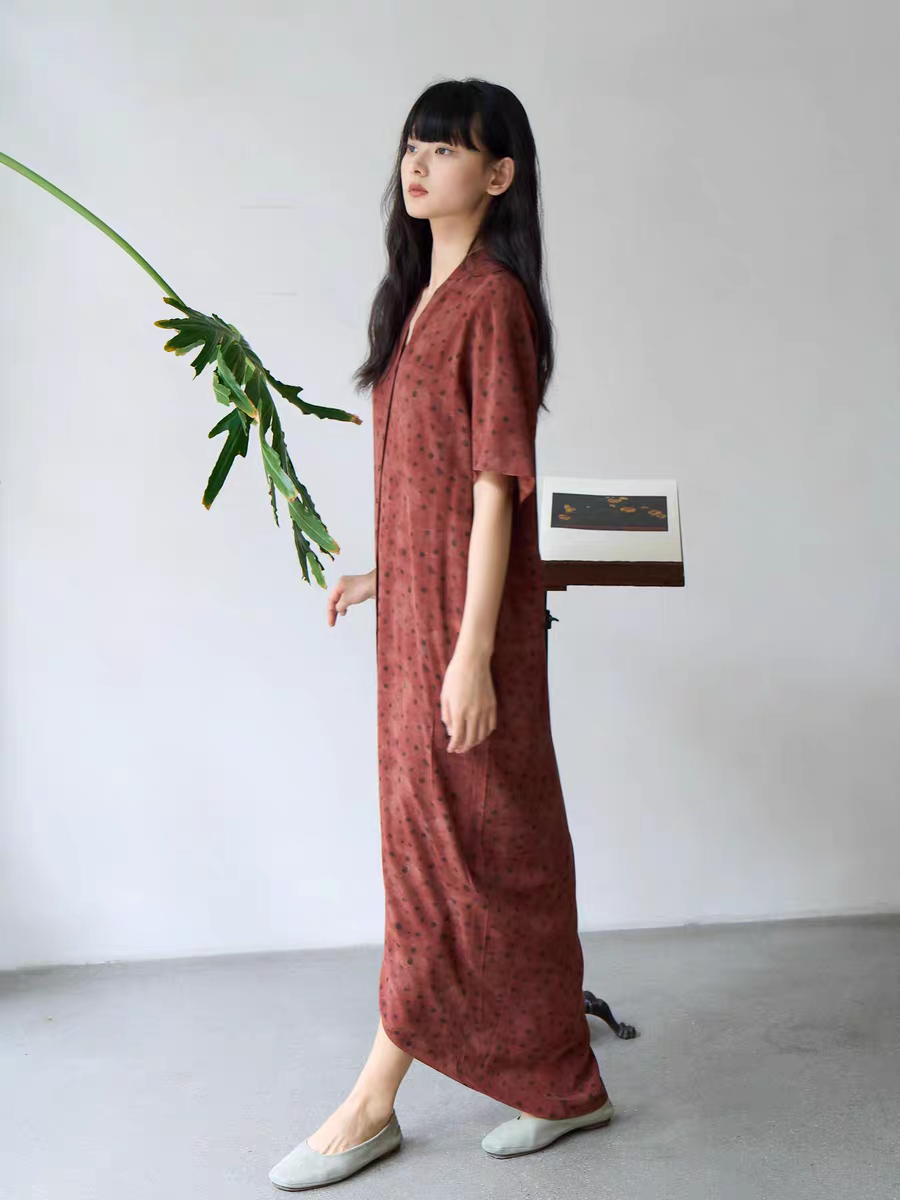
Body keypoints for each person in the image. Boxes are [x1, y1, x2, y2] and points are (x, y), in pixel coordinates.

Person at [268, 77, 613, 1192]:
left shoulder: (493, 301)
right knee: (494, 848)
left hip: (468, 634)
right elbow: (431, 479)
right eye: (413, 146)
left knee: (456, 850)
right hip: (420, 619)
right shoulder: (419, 296)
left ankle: (373, 1100)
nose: (418, 164)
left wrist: (470, 655)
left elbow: (496, 484)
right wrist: (388, 574)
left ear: (499, 176)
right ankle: (564, 1083)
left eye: (447, 149)